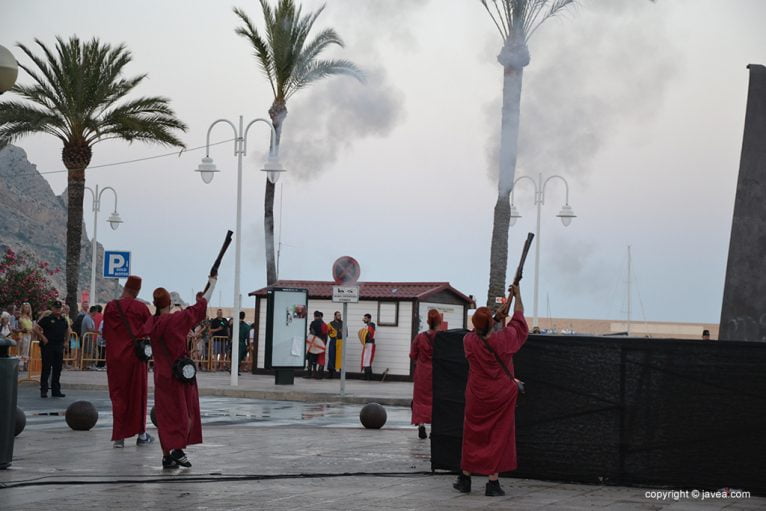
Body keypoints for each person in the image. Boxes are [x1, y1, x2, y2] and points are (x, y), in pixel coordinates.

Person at [454, 284, 528, 497]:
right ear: (490, 325)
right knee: (498, 435)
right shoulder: (503, 340)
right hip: (501, 394)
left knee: (472, 434)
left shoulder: (468, 341)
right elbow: (520, 321)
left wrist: (496, 317)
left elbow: (480, 332)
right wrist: (518, 295)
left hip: (477, 393)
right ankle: (492, 483)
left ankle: (465, 478)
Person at [142, 278, 215, 469]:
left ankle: (167, 457)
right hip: (179, 375)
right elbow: (199, 309)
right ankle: (178, 450)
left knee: (165, 417)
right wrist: (212, 283)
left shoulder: (152, 322)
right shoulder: (175, 320)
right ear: (169, 303)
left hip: (161, 375)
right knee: (186, 413)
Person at [102, 275, 154, 449]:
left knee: (118, 395)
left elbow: (106, 333)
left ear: (125, 288)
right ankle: (141, 434)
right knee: (137, 395)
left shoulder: (110, 307)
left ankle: (119, 438)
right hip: (135, 358)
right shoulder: (141, 308)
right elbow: (150, 329)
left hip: (115, 359)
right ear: (138, 291)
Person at [410, 309, 442, 439]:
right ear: (439, 322)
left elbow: (413, 355)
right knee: (436, 400)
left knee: (420, 400)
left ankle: (421, 425)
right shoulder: (442, 338)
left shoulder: (420, 337)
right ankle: (435, 428)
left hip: (422, 372)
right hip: (437, 372)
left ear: (428, 322)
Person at [35, 300, 70, 398]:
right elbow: (36, 328)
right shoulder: (47, 318)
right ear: (52, 308)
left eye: (59, 308)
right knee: (46, 368)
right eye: (56, 308)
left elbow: (67, 330)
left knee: (57, 369)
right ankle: (44, 390)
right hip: (48, 346)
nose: (58, 310)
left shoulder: (63, 320)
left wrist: (66, 341)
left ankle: (56, 390)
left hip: (58, 346)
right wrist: (43, 337)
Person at [305, 311, 327, 379]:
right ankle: (320, 375)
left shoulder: (313, 323)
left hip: (314, 343)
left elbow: (312, 333)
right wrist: (324, 344)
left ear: (314, 316)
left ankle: (310, 374)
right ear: (320, 316)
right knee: (320, 359)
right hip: (321, 343)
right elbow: (326, 335)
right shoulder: (324, 324)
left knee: (311, 359)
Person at [18, 302, 34, 371]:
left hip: (29, 335)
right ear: (23, 308)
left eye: (28, 307)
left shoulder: (30, 317)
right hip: (23, 334)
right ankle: (20, 365)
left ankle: (25, 364)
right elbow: (18, 327)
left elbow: (32, 326)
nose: (27, 309)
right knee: (22, 349)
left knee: (27, 350)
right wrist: (23, 330)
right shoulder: (20, 316)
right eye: (26, 307)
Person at [327, 311, 344, 378]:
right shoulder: (330, 324)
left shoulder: (343, 323)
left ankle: (340, 374)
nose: (340, 316)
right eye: (338, 315)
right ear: (335, 316)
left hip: (341, 341)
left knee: (340, 357)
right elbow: (327, 332)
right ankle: (330, 373)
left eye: (340, 315)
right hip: (333, 341)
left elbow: (346, 334)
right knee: (331, 356)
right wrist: (332, 336)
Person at [361, 313, 377, 380]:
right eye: (364, 318)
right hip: (367, 344)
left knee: (367, 360)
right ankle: (369, 376)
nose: (364, 319)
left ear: (369, 319)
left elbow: (369, 335)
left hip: (369, 344)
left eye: (365, 318)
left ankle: (368, 376)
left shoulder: (371, 325)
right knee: (366, 360)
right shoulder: (367, 326)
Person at [237, 311, 250, 375]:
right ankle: (237, 369)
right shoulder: (247, 326)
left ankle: (234, 369)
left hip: (234, 343)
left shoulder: (234, 324)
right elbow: (248, 337)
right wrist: (248, 345)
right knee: (240, 357)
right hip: (242, 344)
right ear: (244, 317)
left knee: (234, 356)